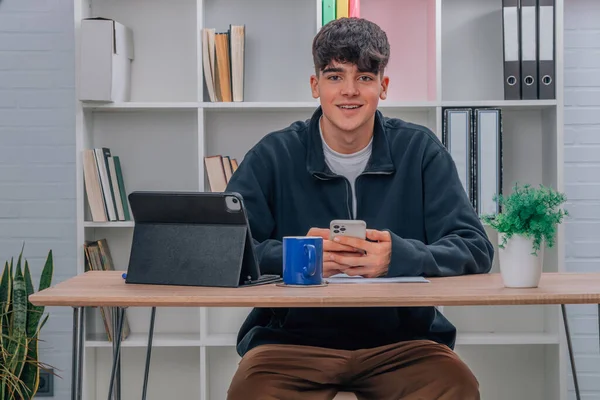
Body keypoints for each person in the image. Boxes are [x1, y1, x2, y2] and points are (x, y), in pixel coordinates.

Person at [224, 17, 494, 400]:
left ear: (383, 86)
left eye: (364, 78)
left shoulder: (420, 150)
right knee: (252, 391)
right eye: (335, 77)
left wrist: (397, 256)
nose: (349, 92)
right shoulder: (274, 153)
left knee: (457, 385)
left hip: (403, 344)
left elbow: (475, 247)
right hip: (291, 344)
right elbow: (224, 247)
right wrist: (296, 253)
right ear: (315, 85)